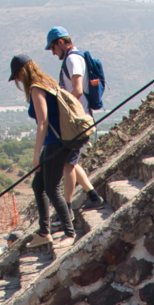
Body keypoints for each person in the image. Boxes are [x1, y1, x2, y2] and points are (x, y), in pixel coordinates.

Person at [9, 53, 76, 249]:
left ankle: (69, 233)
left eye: (17, 77)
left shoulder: (37, 87)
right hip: (55, 142)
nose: (18, 81)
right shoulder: (48, 82)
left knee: (52, 189)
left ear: (23, 71)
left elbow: (43, 122)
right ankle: (44, 232)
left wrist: (36, 155)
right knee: (38, 185)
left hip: (55, 143)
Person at [46, 27, 105, 212]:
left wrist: (65, 111)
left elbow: (77, 89)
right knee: (71, 161)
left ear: (61, 42)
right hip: (80, 117)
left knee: (68, 164)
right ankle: (93, 196)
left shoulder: (72, 59)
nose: (54, 53)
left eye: (53, 48)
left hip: (77, 120)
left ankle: (67, 209)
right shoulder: (74, 58)